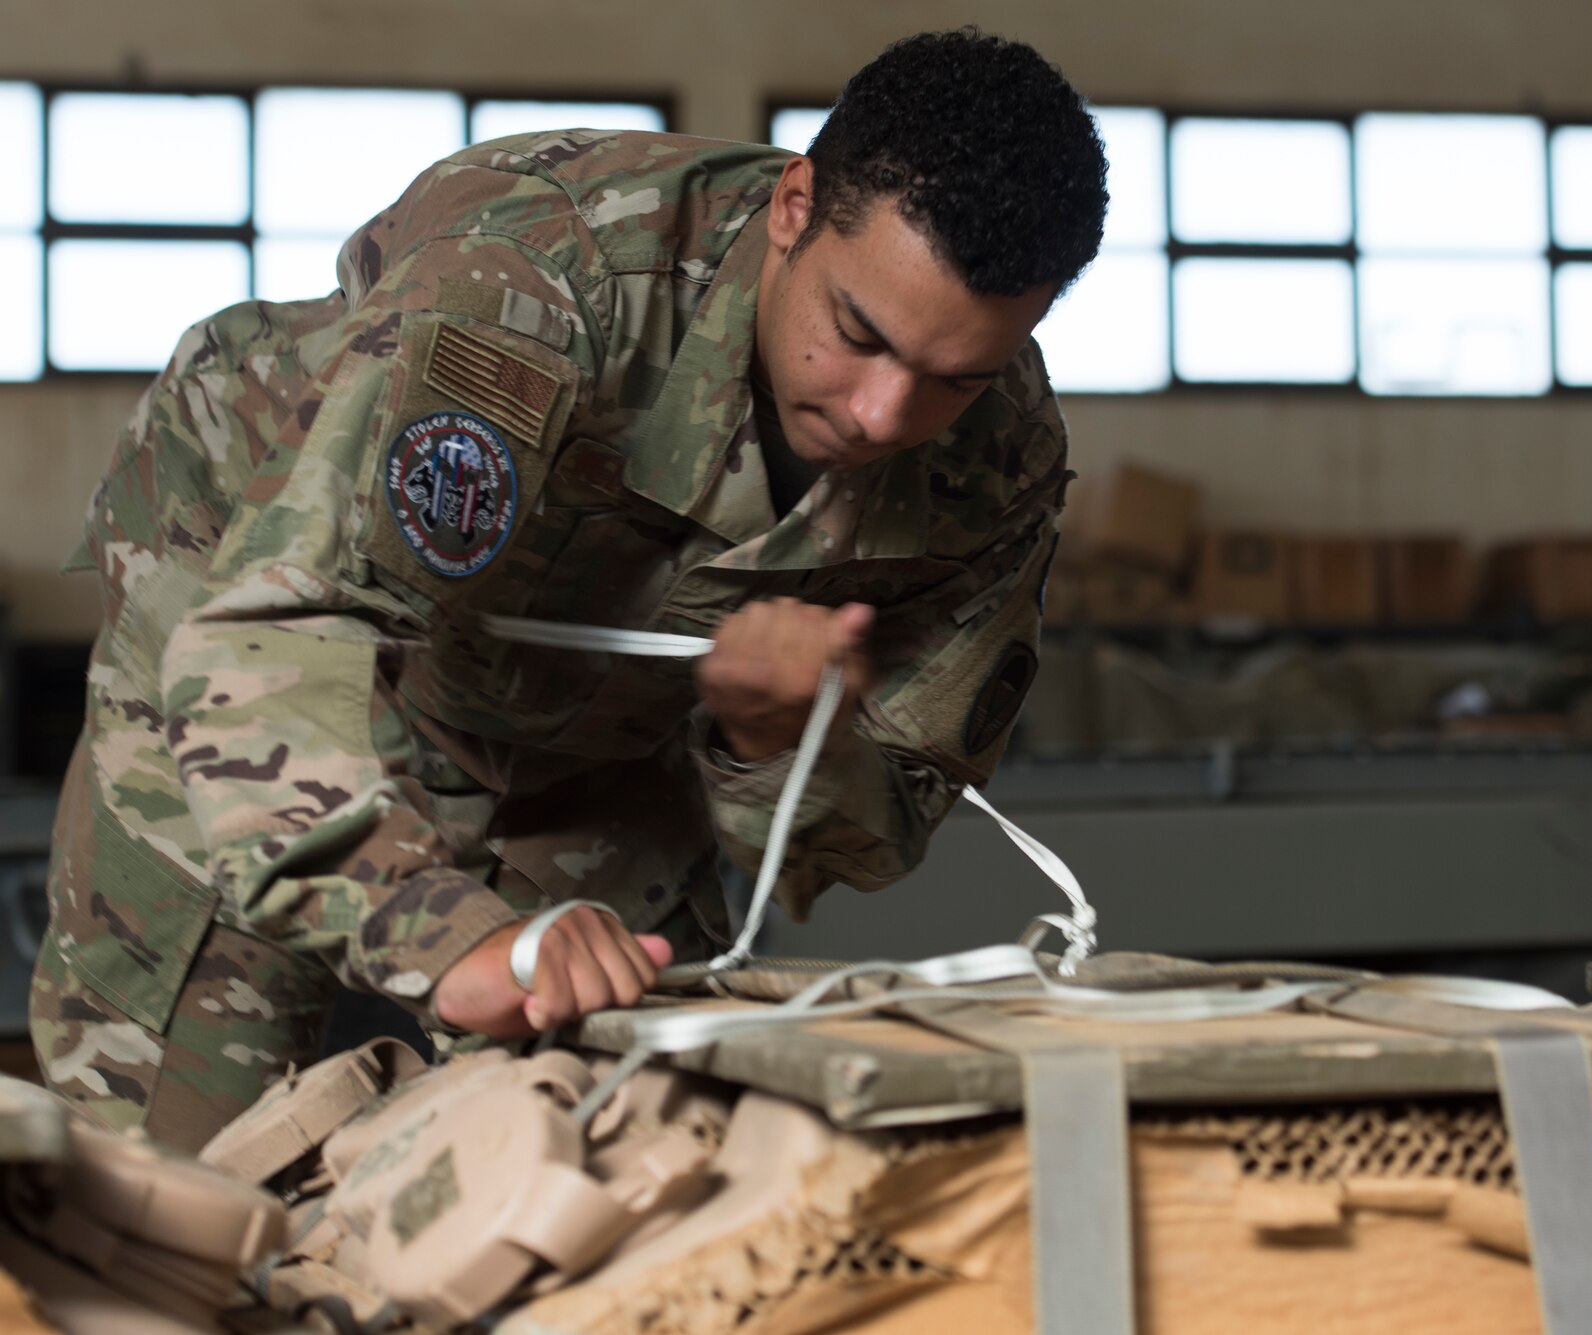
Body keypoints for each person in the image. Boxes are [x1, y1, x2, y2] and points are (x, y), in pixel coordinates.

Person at [31, 29, 1107, 1150]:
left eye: (954, 377)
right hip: (266, 642)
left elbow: (861, 843)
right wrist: (438, 933)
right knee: (156, 1190)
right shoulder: (539, 277)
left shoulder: (999, 460)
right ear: (794, 205)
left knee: (634, 1158)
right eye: (855, 333)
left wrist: (783, 741)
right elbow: (282, 634)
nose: (883, 415)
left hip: (590, 738)